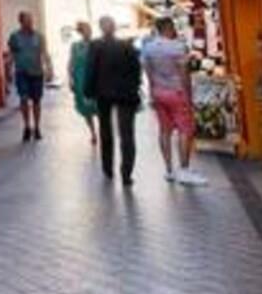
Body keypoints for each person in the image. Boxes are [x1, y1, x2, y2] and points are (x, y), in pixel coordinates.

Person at [142, 15, 207, 186]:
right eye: (173, 27)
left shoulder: (148, 48)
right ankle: (184, 170)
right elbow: (184, 73)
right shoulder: (178, 47)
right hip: (177, 92)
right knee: (185, 130)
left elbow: (148, 72)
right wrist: (189, 95)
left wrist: (152, 92)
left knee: (165, 130)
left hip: (158, 92)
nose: (175, 30)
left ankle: (169, 170)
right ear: (168, 28)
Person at [78, 14, 142, 184]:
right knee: (127, 134)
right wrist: (135, 89)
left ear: (101, 28)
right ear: (114, 27)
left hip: (103, 94)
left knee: (105, 131)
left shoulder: (95, 46)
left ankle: (108, 169)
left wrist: (87, 92)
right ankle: (126, 173)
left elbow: (90, 69)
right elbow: (136, 70)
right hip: (126, 95)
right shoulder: (126, 46)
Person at [6, 11, 51, 142]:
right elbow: (11, 54)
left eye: (31, 19)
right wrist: (8, 69)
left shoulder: (39, 36)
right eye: (27, 20)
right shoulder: (15, 37)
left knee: (36, 101)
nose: (31, 22)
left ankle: (37, 127)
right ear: (21, 22)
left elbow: (44, 52)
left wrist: (49, 68)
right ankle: (27, 126)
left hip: (37, 72)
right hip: (22, 72)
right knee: (23, 98)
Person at [66, 20, 99, 146]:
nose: (88, 31)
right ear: (81, 32)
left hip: (95, 80)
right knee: (86, 109)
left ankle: (103, 130)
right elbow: (71, 63)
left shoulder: (97, 44)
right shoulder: (75, 46)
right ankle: (93, 132)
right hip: (80, 80)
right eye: (86, 29)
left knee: (99, 107)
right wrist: (70, 79)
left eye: (89, 29)